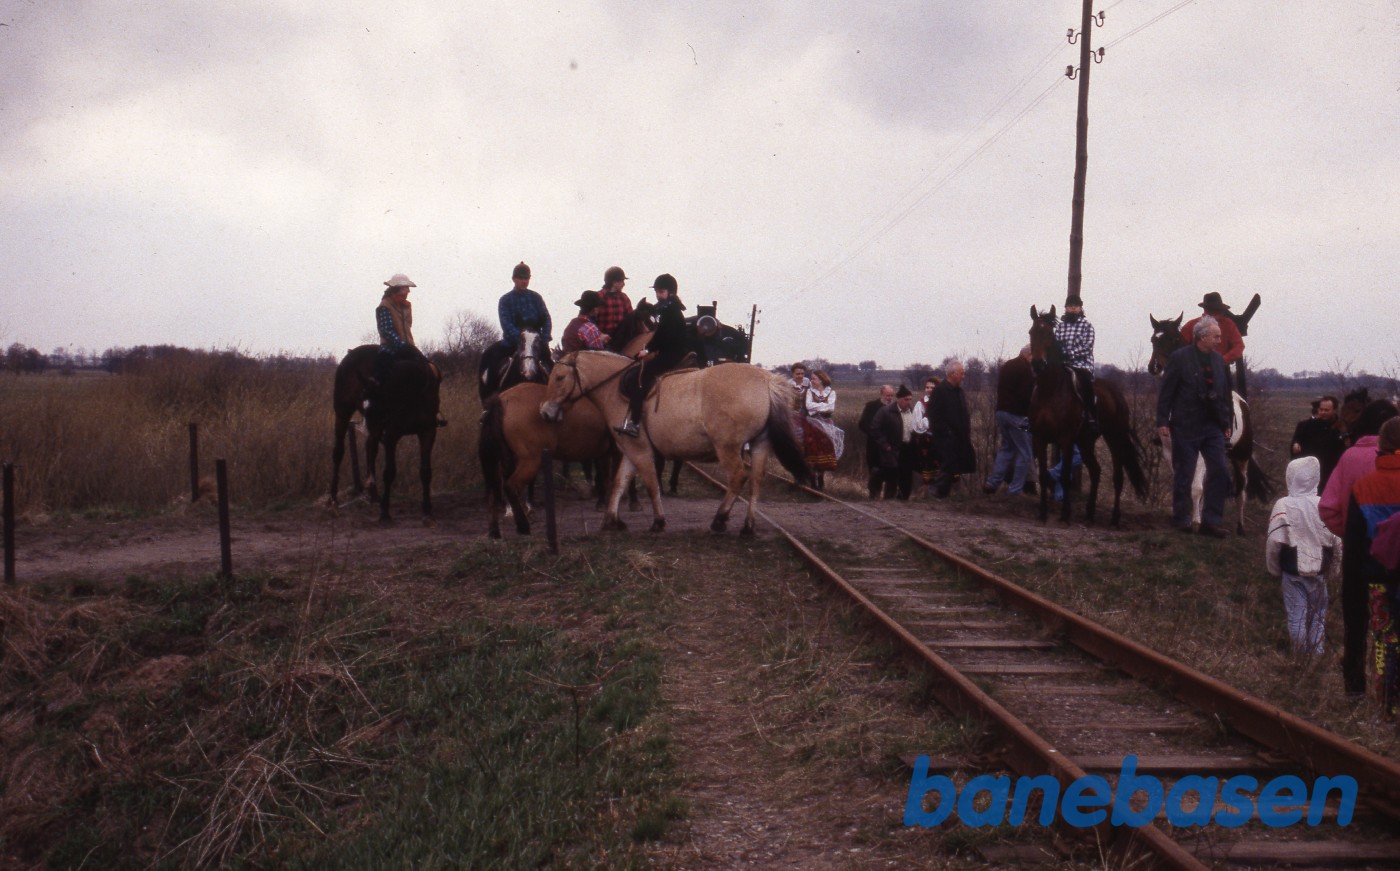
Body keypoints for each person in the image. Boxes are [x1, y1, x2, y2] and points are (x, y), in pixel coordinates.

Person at [1320, 398, 1400, 694]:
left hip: (1360, 559)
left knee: (1356, 626)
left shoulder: (1350, 458)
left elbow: (1328, 509)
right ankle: (1389, 698)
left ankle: (1355, 687)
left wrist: (1353, 535)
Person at [1341, 417, 1400, 716]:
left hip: (1377, 579)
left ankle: (1388, 710)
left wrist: (1351, 595)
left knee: (1386, 643)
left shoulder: (1364, 487)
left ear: (1382, 447)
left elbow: (1352, 548)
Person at [1155, 316, 1233, 537]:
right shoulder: (1180, 358)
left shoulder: (1219, 361)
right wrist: (1162, 421)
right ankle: (1181, 520)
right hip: (1185, 425)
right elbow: (1167, 391)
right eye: (1216, 336)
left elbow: (1223, 394)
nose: (1219, 340)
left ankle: (1211, 522)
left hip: (1213, 427)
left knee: (1219, 470)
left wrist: (1225, 423)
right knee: (1184, 473)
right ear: (1203, 336)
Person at [1266, 456, 1340, 656]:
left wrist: (1273, 568)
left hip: (1293, 573)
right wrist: (1334, 570)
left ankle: (1299, 658)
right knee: (1318, 616)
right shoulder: (1323, 505)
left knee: (1297, 616)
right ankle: (1316, 655)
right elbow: (1337, 541)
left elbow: (1274, 541)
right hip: (1319, 572)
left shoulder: (1283, 505)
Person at [615, 274, 686, 438]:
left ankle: (635, 423)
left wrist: (647, 351)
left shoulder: (671, 312)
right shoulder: (668, 309)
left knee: (637, 379)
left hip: (671, 355)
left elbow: (663, 336)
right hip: (669, 352)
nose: (658, 295)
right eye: (657, 292)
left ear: (671, 293)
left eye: (661, 292)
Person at [367, 272, 429, 410]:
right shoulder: (384, 306)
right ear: (396, 289)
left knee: (427, 370)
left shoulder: (406, 306)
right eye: (405, 287)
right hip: (390, 348)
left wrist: (408, 346)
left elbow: (408, 327)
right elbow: (386, 331)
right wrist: (401, 345)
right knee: (380, 375)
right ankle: (371, 409)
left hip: (408, 346)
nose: (408, 291)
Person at [984, 345, 1035, 496]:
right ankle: (1015, 490)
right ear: (1029, 354)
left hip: (1001, 412)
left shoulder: (1008, 365)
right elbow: (1026, 396)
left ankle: (992, 483)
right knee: (1025, 452)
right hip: (1017, 415)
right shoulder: (1025, 370)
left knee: (1008, 448)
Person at [929, 361, 976, 498]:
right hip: (946, 438)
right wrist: (946, 432)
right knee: (949, 464)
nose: (964, 376)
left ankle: (942, 495)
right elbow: (934, 414)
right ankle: (935, 491)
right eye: (962, 373)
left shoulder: (959, 391)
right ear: (952, 374)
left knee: (955, 465)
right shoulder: (940, 390)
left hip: (960, 437)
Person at [1053, 294, 1097, 433]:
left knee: (1085, 383)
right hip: (1063, 364)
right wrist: (1059, 354)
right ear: (1065, 308)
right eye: (1070, 306)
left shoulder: (1087, 326)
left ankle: (1091, 415)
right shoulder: (1060, 327)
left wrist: (1070, 354)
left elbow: (1087, 346)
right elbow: (1056, 343)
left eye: (1075, 306)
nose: (1073, 309)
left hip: (1082, 364)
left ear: (1080, 308)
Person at [870, 385, 916, 499]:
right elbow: (875, 429)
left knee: (906, 475)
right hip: (891, 448)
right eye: (906, 399)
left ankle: (903, 500)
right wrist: (885, 445)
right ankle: (882, 497)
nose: (908, 402)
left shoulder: (912, 411)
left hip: (907, 448)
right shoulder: (886, 411)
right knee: (890, 473)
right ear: (899, 399)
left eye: (910, 399)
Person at [1290, 395, 1345, 490]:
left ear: (1335, 410)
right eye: (1321, 409)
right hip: (1309, 477)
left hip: (1331, 476)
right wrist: (1295, 445)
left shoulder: (1342, 429)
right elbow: (1296, 441)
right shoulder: (1306, 426)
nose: (1323, 412)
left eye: (1326, 410)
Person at [496, 261, 552, 353]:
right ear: (514, 279)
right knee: (488, 355)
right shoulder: (505, 300)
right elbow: (506, 323)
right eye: (520, 278)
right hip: (512, 344)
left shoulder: (536, 298)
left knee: (553, 365)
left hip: (536, 343)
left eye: (526, 278)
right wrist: (521, 339)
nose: (524, 281)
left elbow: (546, 319)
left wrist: (543, 340)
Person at [1181, 292, 1245, 369]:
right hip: (1195, 372)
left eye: (1217, 310)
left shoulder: (1228, 324)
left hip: (1221, 370)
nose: (1216, 313)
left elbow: (1239, 346)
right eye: (1212, 310)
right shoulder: (1190, 325)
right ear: (1205, 310)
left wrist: (1222, 360)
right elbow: (1181, 349)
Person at [803, 370, 843, 490]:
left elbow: (831, 408)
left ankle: (820, 479)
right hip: (812, 425)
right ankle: (812, 479)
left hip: (826, 425)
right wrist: (823, 407)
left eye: (814, 378)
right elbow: (808, 407)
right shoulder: (810, 392)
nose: (812, 381)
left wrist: (817, 408)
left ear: (821, 379)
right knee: (812, 450)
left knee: (824, 450)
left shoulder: (831, 392)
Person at [859, 385, 896, 499]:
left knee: (892, 471)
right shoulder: (871, 406)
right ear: (881, 394)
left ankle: (889, 498)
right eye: (887, 395)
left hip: (891, 447)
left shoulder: (896, 408)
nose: (889, 398)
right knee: (875, 471)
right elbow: (862, 424)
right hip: (874, 446)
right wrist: (875, 434)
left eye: (891, 395)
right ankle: (874, 496)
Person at [593, 266, 633, 344]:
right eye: (622, 281)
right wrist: (599, 335)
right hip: (602, 341)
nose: (624, 284)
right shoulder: (598, 297)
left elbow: (630, 318)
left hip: (621, 340)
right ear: (614, 282)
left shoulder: (624, 298)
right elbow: (590, 320)